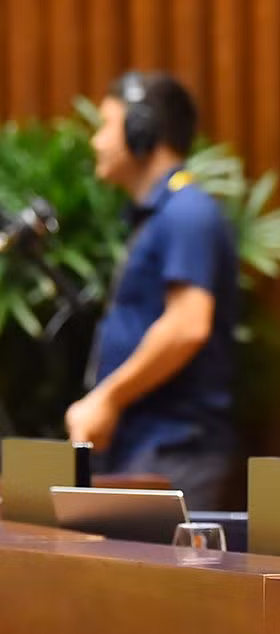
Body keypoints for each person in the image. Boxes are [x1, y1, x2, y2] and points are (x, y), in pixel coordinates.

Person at [69, 72, 242, 510]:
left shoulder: (187, 212)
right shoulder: (155, 216)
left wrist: (106, 397)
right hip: (143, 444)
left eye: (107, 125)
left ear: (141, 130)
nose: (96, 141)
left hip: (173, 448)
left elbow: (187, 326)